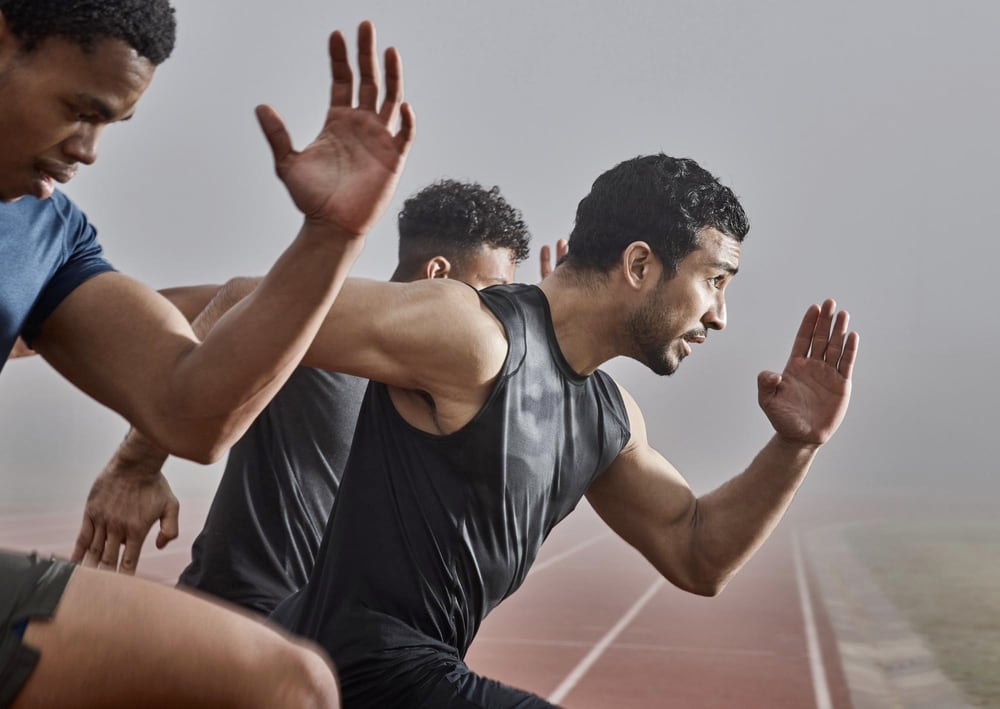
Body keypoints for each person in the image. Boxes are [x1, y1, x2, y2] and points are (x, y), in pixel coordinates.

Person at [136, 153, 860, 706]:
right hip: (346, 666)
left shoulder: (606, 417)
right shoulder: (473, 335)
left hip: (411, 678)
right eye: (716, 280)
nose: (719, 316)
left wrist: (794, 445)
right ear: (640, 263)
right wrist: (140, 460)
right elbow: (242, 302)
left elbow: (698, 553)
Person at [0, 0, 414, 704]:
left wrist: (331, 237)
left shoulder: (45, 233)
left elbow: (191, 412)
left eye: (111, 124)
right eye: (80, 108)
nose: (88, 148)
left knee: (291, 682)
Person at [83, 179, 534, 614]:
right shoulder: (320, 325)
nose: (500, 313)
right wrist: (136, 466)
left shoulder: (450, 388)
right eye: (493, 291)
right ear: (438, 274)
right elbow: (224, 299)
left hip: (335, 631)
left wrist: (560, 347)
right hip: (246, 612)